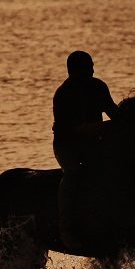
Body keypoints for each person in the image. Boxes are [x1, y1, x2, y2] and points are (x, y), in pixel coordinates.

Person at [52, 51, 118, 249]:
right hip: (67, 146)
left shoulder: (99, 86)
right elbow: (69, 131)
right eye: (88, 67)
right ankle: (66, 229)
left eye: (92, 65)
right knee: (72, 175)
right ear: (74, 71)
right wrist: (102, 128)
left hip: (94, 145)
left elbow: (114, 113)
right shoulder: (63, 94)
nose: (92, 70)